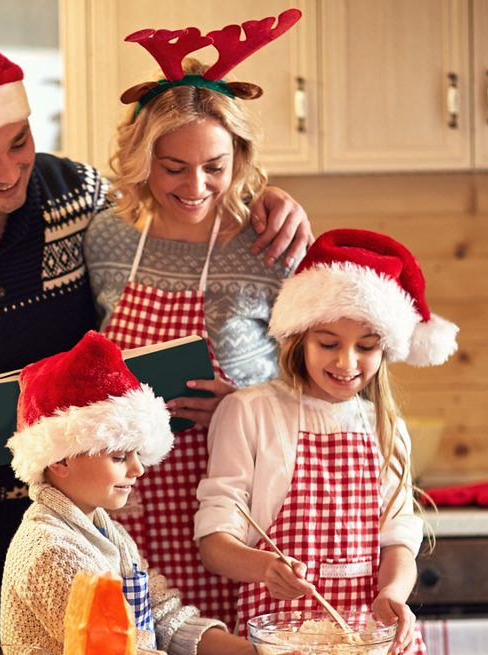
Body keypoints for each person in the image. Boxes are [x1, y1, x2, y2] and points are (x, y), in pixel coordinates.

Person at [0, 41, 310, 655]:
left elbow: (183, 197)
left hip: (81, 520)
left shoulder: (76, 196)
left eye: (19, 143)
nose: (8, 170)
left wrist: (259, 196)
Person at [86, 10, 308, 621]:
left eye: (215, 166)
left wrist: (245, 407)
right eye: (173, 168)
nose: (195, 187)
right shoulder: (105, 239)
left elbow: (322, 390)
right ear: (140, 160)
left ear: (240, 157)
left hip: (238, 501)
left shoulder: (270, 245)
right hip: (130, 499)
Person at [195, 228, 460, 654]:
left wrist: (393, 593)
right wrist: (265, 567)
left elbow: (397, 541)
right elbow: (214, 544)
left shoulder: (385, 427)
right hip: (283, 641)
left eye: (367, 346)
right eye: (328, 343)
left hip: (370, 640)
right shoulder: (250, 412)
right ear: (299, 337)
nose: (346, 362)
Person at [1, 330, 253, 655]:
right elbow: (113, 650)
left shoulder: (109, 532)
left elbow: (162, 617)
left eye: (138, 455)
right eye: (120, 457)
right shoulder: (51, 552)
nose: (139, 470)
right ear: (60, 459)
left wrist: (251, 651)